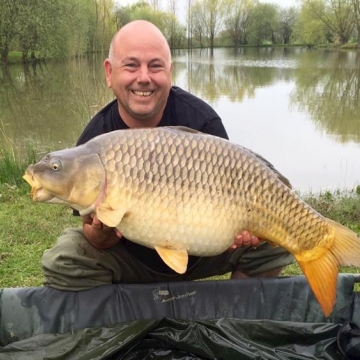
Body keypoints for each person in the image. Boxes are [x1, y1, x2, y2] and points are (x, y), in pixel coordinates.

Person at [41, 20, 294, 290]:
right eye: (131, 65)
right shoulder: (93, 144)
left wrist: (249, 229)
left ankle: (232, 317)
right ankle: (123, 320)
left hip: (205, 250)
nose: (143, 77)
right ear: (109, 73)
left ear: (170, 72)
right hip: (132, 259)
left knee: (279, 240)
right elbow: (98, 240)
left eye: (155, 65)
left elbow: (237, 195)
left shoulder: (203, 121)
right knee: (65, 260)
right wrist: (101, 233)